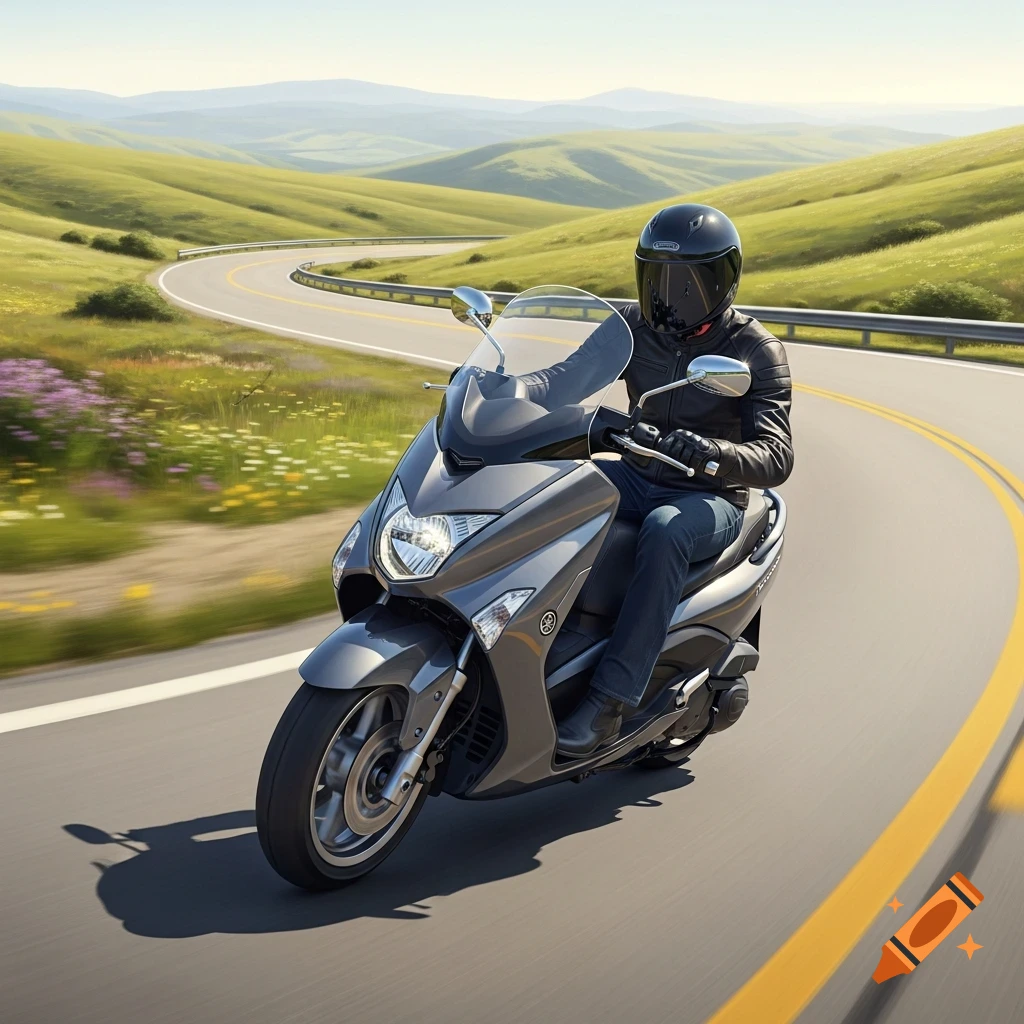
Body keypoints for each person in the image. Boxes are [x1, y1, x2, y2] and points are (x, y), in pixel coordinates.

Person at [548, 202, 795, 756]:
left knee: (665, 530)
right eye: (657, 278)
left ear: (722, 280)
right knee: (552, 496)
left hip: (707, 495)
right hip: (635, 472)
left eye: (686, 283)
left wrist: (714, 453)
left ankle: (608, 703)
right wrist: (503, 389)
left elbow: (776, 456)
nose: (668, 295)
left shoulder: (755, 350)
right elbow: (566, 379)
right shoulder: (632, 326)